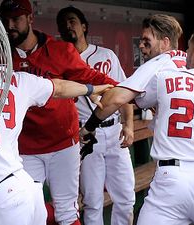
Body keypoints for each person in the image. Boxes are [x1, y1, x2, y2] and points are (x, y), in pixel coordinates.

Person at [80, 27, 194, 225]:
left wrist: (89, 126)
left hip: (170, 180)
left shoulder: (166, 79)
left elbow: (117, 99)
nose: (185, 54)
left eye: (188, 49)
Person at [0, 0, 119, 224]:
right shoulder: (0, 57)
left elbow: (92, 78)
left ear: (30, 19)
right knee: (27, 211)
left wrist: (130, 93)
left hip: (63, 144)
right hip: (24, 148)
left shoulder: (60, 50)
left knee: (66, 212)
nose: (10, 25)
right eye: (5, 20)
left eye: (16, 19)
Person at [56, 6, 135, 225]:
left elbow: (123, 92)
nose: (67, 25)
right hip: (85, 134)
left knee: (127, 198)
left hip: (114, 130)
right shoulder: (59, 61)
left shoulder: (106, 55)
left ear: (84, 26)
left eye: (72, 20)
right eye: (63, 23)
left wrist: (128, 126)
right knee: (92, 201)